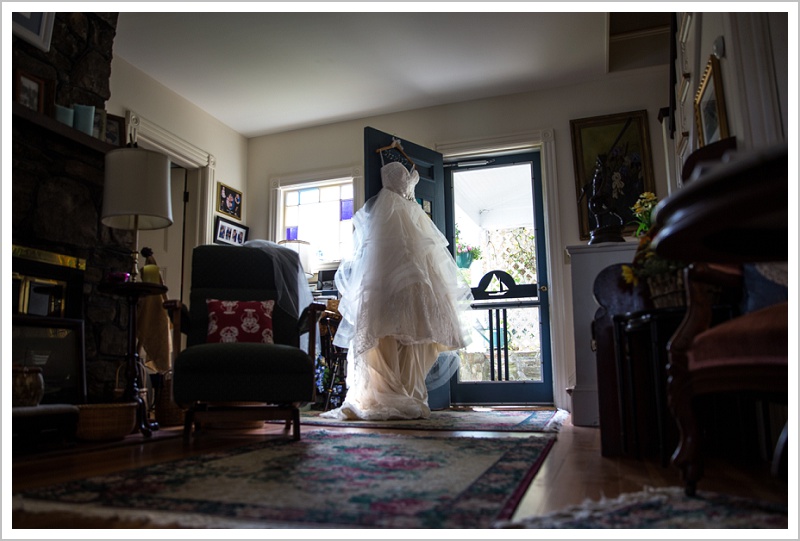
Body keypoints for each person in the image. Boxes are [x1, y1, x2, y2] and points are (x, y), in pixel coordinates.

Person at [321, 159, 473, 421]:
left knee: (420, 313)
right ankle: (386, 390)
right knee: (389, 309)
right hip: (391, 222)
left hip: (412, 222)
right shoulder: (383, 161)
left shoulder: (408, 180)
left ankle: (409, 389)